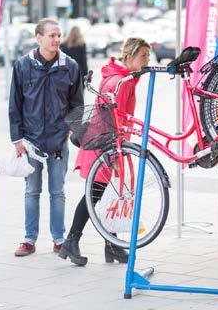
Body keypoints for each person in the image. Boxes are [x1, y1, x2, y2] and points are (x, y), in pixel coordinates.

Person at [58, 38, 151, 266]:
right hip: (103, 146)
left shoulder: (125, 78)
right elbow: (110, 119)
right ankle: (71, 241)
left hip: (108, 145)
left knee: (106, 196)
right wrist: (116, 154)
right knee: (94, 195)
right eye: (143, 56)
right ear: (129, 57)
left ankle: (112, 246)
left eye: (148, 56)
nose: (147, 60)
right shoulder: (119, 82)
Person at [9, 18, 83, 257]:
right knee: (31, 191)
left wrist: (69, 129)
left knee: (57, 192)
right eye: (51, 35)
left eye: (58, 35)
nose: (56, 40)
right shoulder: (22, 66)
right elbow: (15, 104)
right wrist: (17, 139)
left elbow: (77, 104)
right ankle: (29, 240)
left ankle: (59, 239)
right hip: (30, 141)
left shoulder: (69, 66)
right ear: (38, 38)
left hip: (58, 141)